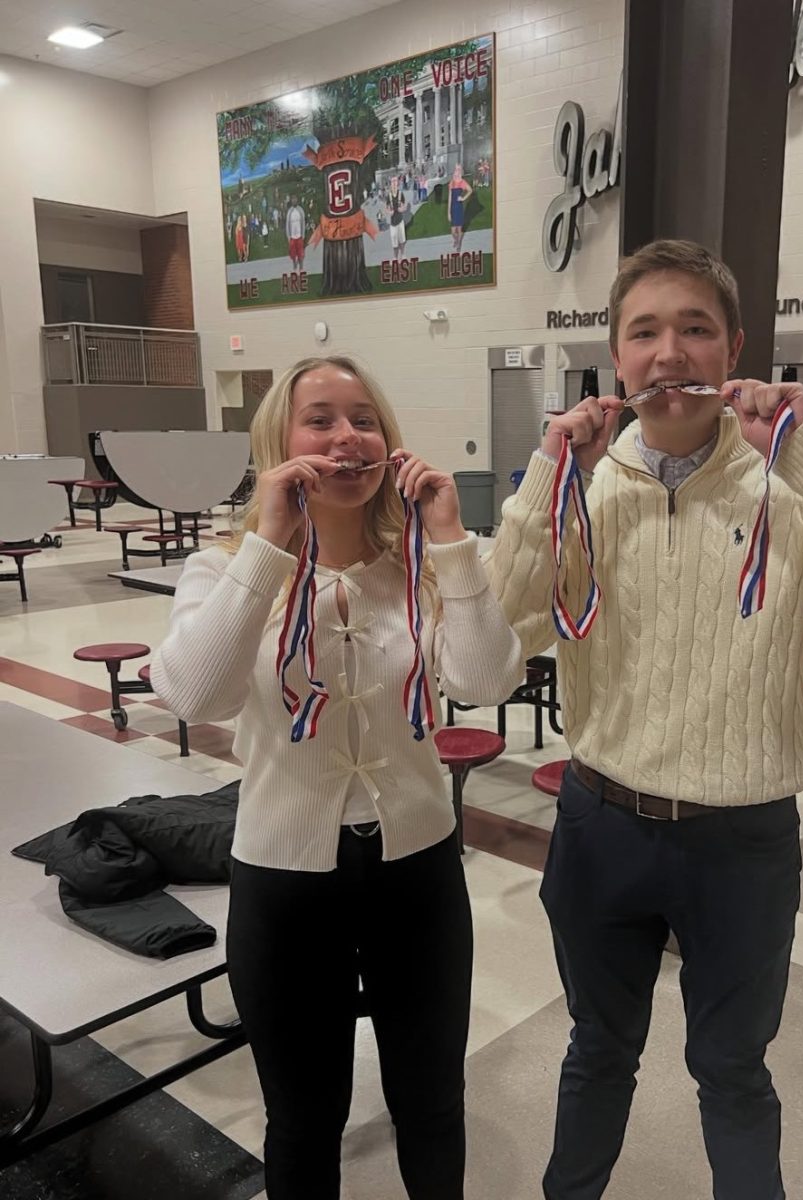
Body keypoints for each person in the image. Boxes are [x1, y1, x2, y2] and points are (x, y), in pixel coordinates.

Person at [483, 239, 803, 1200]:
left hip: (742, 839)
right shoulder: (579, 489)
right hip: (599, 824)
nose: (670, 353)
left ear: (734, 345)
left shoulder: (788, 486)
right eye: (644, 331)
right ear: (615, 358)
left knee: (733, 1070)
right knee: (597, 1050)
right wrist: (544, 476)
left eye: (694, 328)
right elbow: (494, 649)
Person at [152, 355, 524, 1200]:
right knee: (304, 1117)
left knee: (432, 1102)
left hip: (418, 873)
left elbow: (488, 680)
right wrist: (270, 548)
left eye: (364, 419)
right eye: (320, 418)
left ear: (389, 446)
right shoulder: (227, 572)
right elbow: (193, 693)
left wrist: (453, 539)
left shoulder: (422, 570)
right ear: (280, 442)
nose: (346, 437)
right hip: (285, 883)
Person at [447, 164, 473, 253]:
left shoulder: (462, 182)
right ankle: (456, 240)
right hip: (453, 209)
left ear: (460, 172)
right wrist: (449, 213)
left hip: (459, 208)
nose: (456, 171)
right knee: (453, 231)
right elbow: (450, 198)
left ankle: (459, 244)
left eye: (458, 170)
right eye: (455, 170)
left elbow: (470, 190)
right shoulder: (452, 183)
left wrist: (463, 198)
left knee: (459, 229)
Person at [387, 175, 408, 260]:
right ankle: (395, 257)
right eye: (393, 181)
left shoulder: (400, 194)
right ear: (391, 184)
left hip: (400, 221)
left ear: (398, 183)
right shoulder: (388, 196)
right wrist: (389, 212)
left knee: (402, 240)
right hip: (393, 223)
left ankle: (403, 254)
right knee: (394, 242)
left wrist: (402, 209)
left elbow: (404, 206)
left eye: (395, 181)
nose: (394, 183)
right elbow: (387, 208)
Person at [286, 199, 306, 269]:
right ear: (291, 202)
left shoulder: (300, 210)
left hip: (299, 235)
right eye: (293, 201)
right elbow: (287, 224)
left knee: (300, 252)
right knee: (293, 253)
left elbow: (303, 223)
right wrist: (288, 236)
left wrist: (303, 234)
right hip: (292, 236)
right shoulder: (289, 212)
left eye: (295, 201)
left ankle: (301, 265)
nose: (294, 202)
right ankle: (294, 264)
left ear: (297, 202)